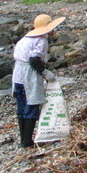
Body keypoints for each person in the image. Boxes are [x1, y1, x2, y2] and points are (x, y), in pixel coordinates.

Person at [12, 13, 65, 148]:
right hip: (29, 75)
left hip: (18, 75)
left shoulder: (25, 38)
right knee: (31, 106)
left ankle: (23, 139)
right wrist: (45, 72)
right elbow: (34, 60)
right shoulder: (41, 40)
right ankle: (27, 141)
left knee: (22, 107)